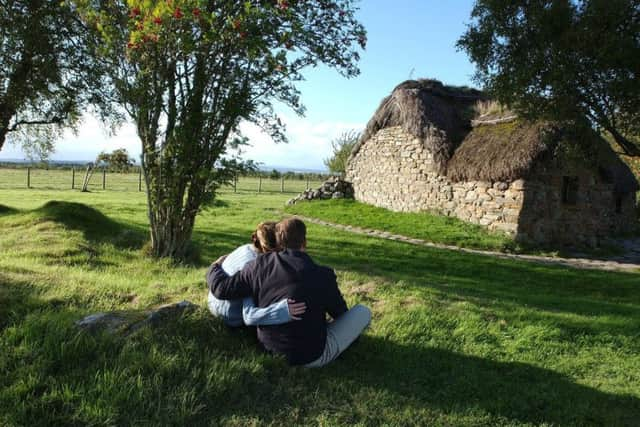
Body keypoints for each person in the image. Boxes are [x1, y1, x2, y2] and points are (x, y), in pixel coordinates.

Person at [207, 218, 371, 367]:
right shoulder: (323, 274)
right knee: (363, 312)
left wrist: (214, 267)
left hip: (268, 348)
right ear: (305, 242)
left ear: (278, 241)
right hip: (311, 357)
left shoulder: (257, 265)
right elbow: (340, 313)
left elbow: (221, 289)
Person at [207, 221, 306, 327]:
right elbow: (248, 311)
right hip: (230, 315)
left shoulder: (246, 248)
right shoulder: (257, 266)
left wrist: (214, 267)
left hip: (213, 303)